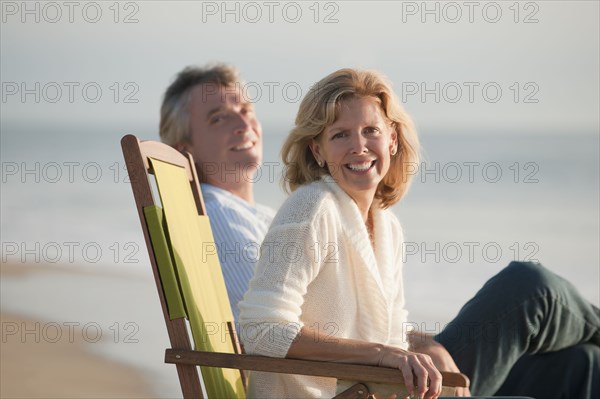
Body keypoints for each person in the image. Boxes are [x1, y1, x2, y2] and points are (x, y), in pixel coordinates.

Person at [238, 68, 600, 399]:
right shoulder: (311, 208)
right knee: (529, 287)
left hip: (391, 388)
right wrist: (383, 354)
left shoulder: (386, 225)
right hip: (354, 392)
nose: (359, 146)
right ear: (317, 150)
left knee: (581, 364)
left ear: (392, 140)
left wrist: (424, 346)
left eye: (371, 131)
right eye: (340, 135)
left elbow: (389, 332)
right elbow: (262, 330)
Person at [159, 64, 275, 322]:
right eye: (219, 118)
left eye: (246, 110)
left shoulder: (262, 216)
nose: (244, 124)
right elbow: (271, 323)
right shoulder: (215, 215)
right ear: (184, 150)